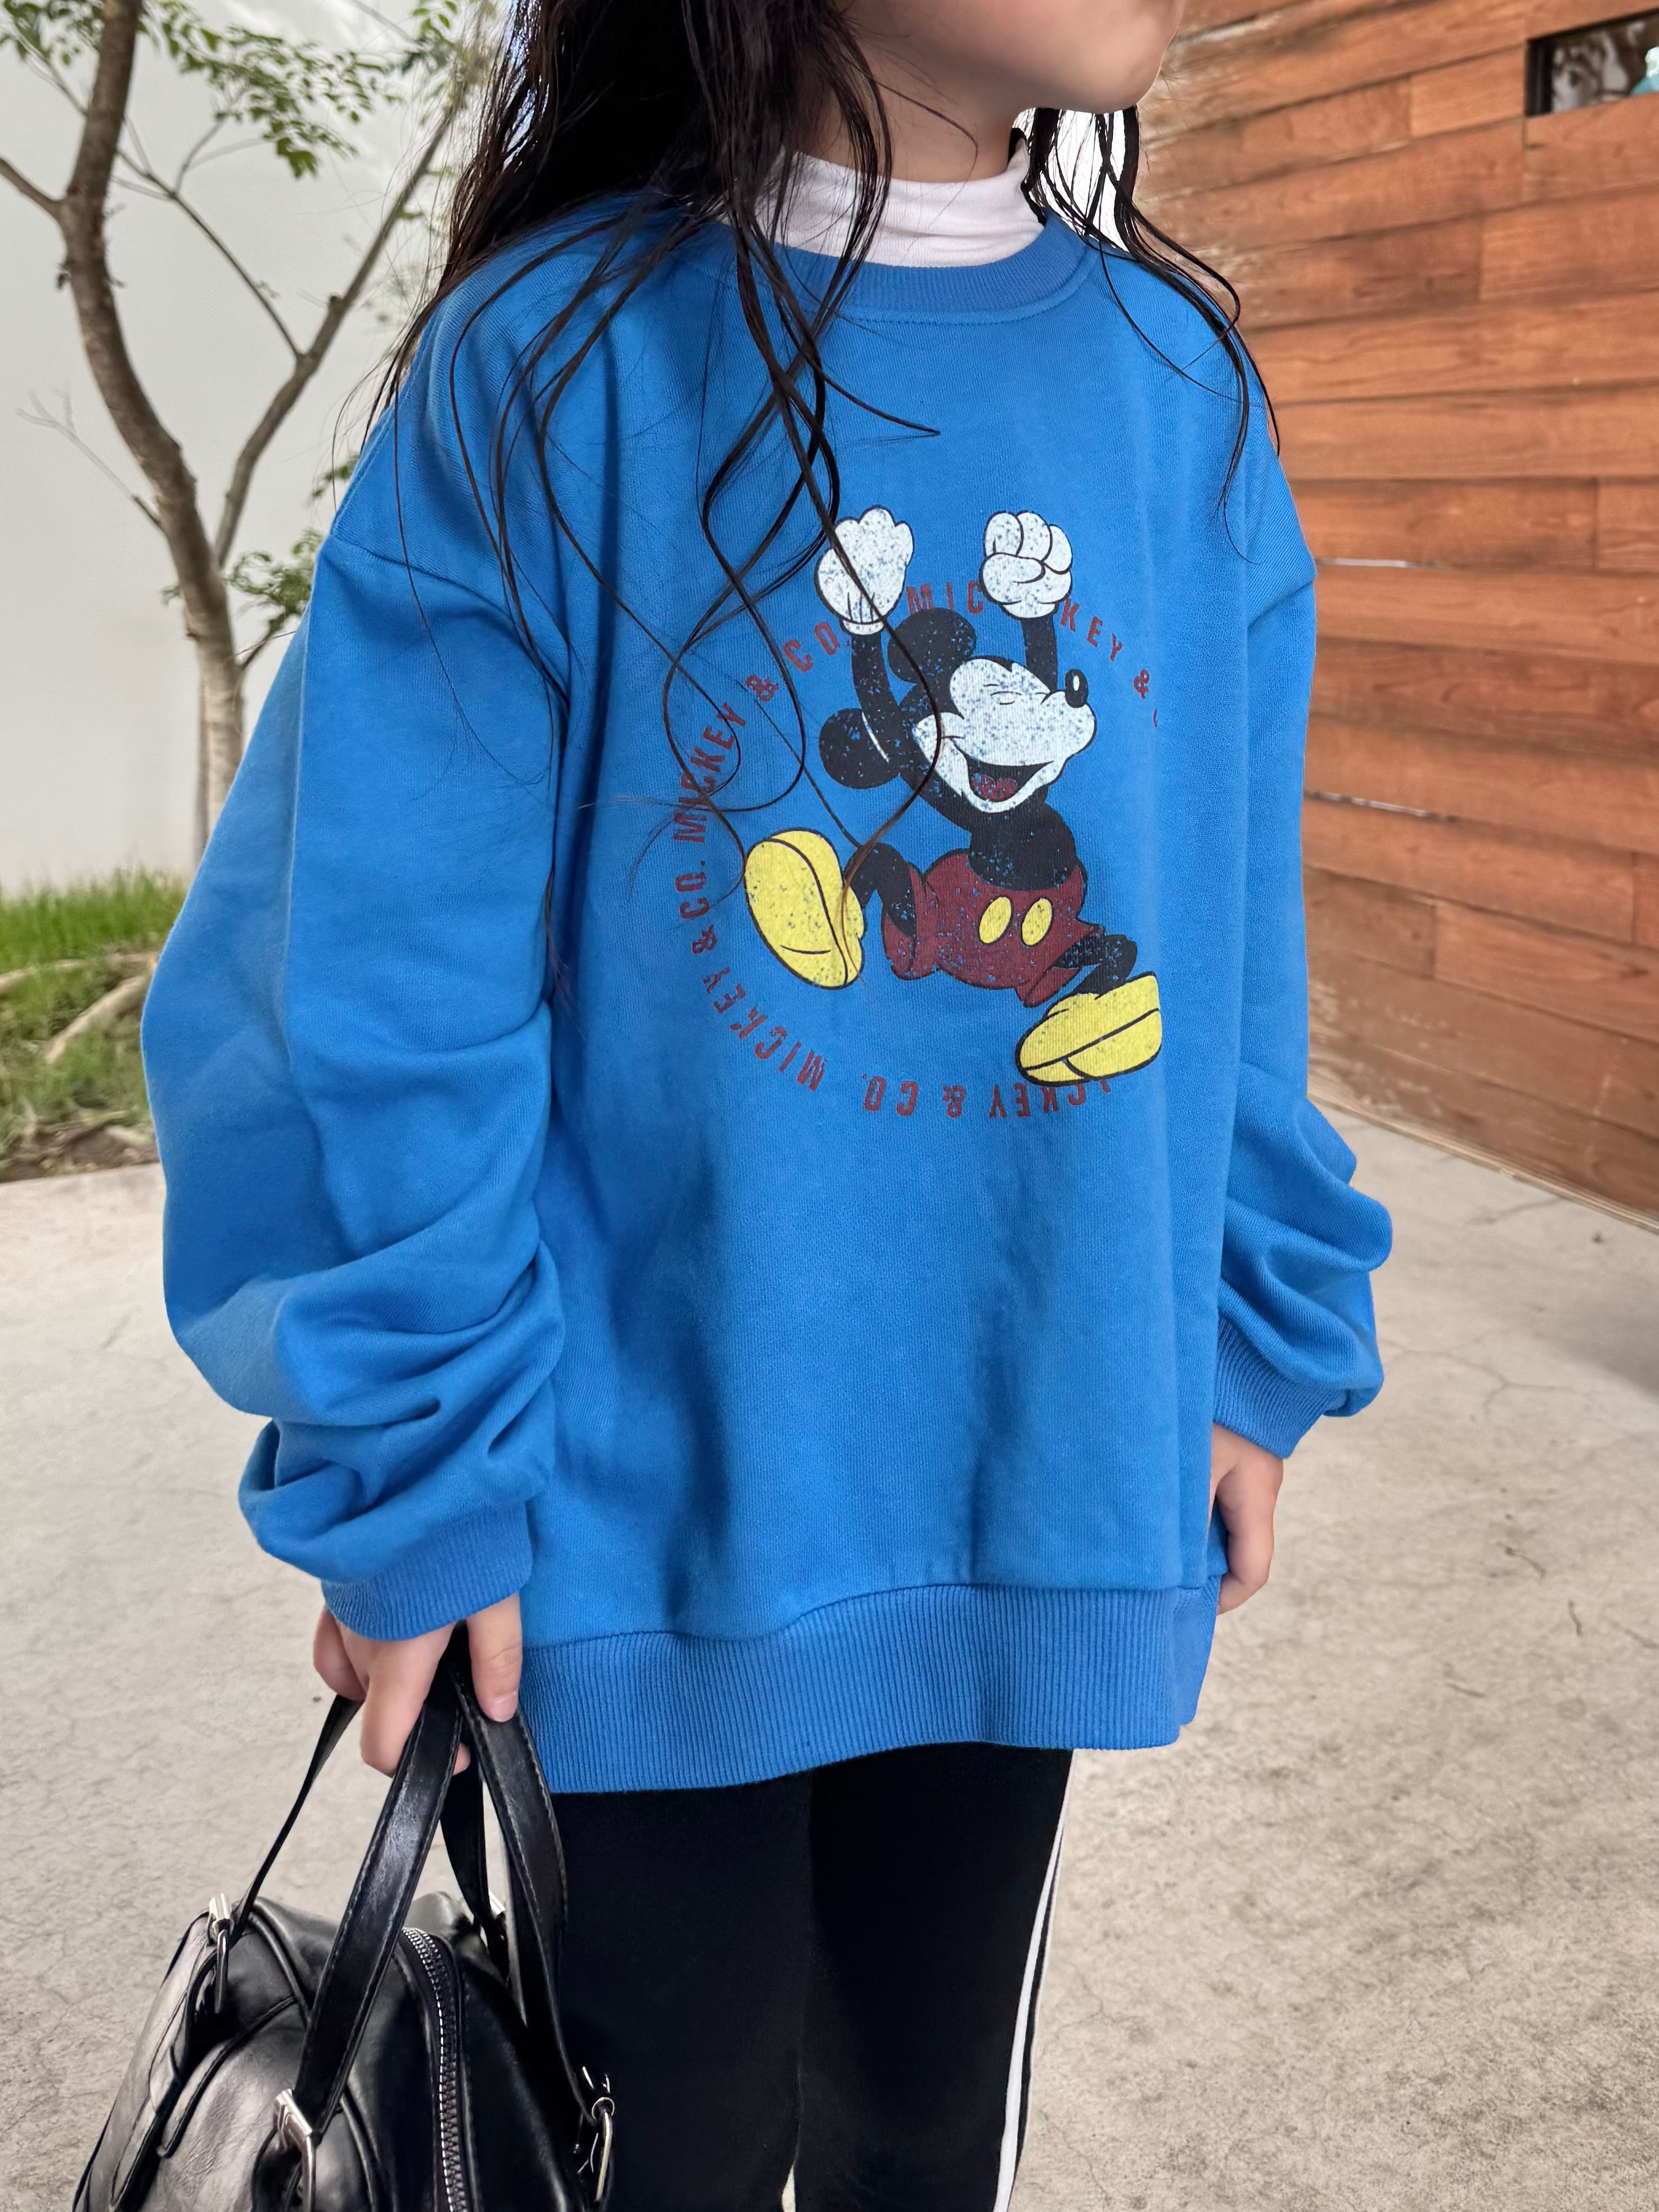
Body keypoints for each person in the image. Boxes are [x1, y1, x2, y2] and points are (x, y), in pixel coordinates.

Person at [143, 0, 1392, 2201]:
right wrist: (413, 1451)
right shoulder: (550, 372)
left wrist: (1253, 1322)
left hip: (1037, 1480)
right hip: (621, 1542)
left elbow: (1233, 929)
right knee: (665, 2155)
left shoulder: (1184, 395)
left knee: (929, 2136)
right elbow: (390, 990)